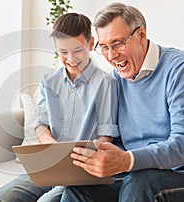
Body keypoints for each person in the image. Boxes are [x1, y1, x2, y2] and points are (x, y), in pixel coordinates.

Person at [61, 2, 184, 202]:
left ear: (141, 35)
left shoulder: (178, 69)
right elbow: (116, 141)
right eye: (104, 47)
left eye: (117, 43)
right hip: (134, 172)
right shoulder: (115, 79)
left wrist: (128, 160)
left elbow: (182, 145)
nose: (111, 55)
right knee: (79, 189)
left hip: (176, 173)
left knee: (140, 183)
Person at [0, 13, 119, 202]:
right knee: (3, 197)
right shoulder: (48, 81)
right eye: (63, 52)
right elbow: (41, 125)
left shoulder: (106, 83)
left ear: (91, 44)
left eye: (77, 50)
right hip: (50, 166)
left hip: (84, 172)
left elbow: (106, 136)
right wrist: (53, 147)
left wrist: (76, 159)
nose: (71, 58)